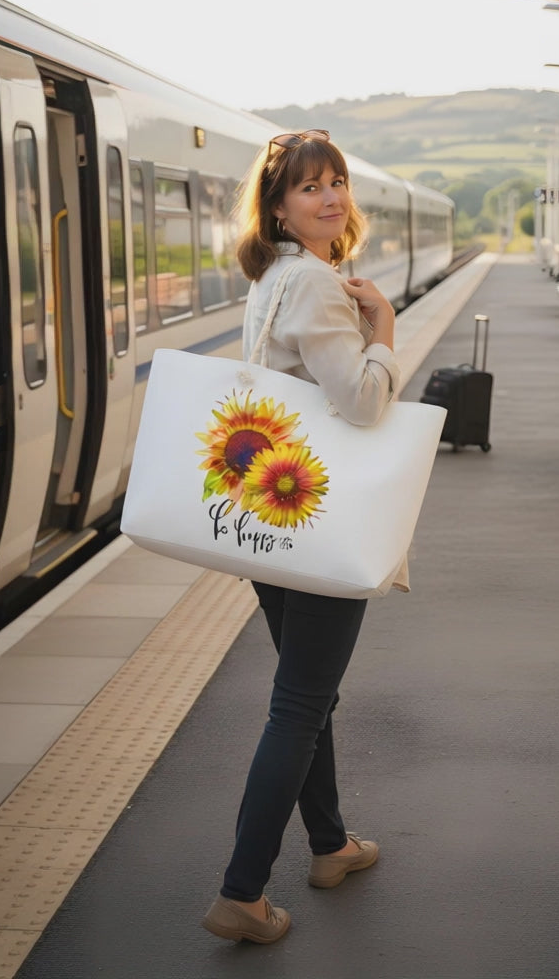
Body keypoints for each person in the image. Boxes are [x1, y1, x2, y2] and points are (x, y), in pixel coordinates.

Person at [201, 130, 401, 945]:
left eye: (337, 183)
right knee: (299, 704)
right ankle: (242, 893)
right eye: (309, 187)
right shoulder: (320, 285)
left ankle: (330, 846)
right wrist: (383, 324)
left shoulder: (274, 277)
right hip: (319, 521)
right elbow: (359, 404)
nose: (329, 198)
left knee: (309, 694)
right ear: (279, 205)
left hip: (274, 517)